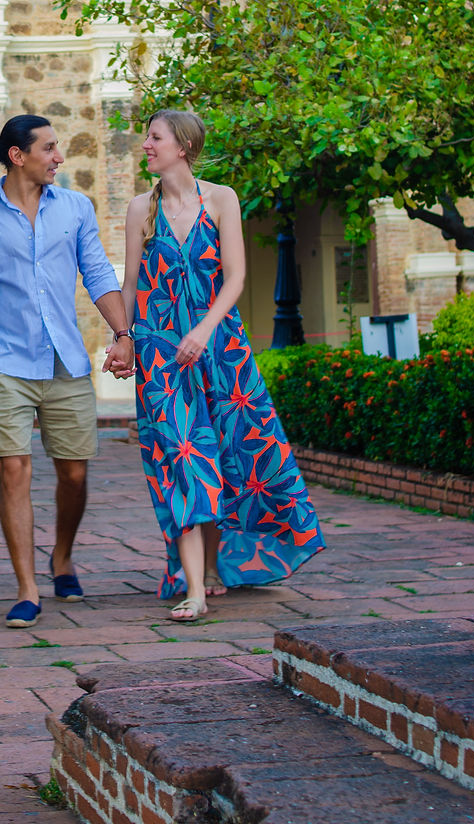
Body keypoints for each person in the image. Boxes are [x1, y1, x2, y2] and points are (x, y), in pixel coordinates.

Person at [122, 109, 325, 622]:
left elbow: (234, 279)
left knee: (234, 461)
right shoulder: (138, 208)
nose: (146, 145)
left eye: (155, 138)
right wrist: (123, 339)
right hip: (161, 357)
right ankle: (193, 587)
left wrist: (204, 329)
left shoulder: (222, 200)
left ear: (183, 146)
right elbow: (130, 284)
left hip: (220, 352)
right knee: (186, 460)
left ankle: (212, 568)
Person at [0, 114, 135, 628]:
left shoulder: (75, 208)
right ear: (17, 156)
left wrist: (123, 335)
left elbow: (96, 271)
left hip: (65, 359)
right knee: (13, 469)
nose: (59, 157)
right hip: (5, 360)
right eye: (49, 148)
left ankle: (62, 557)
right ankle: (27, 588)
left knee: (73, 471)